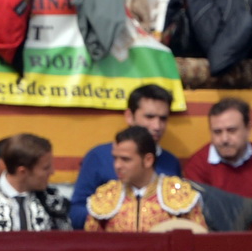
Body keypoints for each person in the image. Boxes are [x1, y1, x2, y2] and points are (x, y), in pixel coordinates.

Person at [70, 83, 183, 228]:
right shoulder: (98, 157)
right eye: (149, 117)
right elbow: (76, 212)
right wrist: (115, 214)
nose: (157, 126)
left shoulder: (171, 161)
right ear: (129, 116)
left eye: (163, 119)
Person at [84, 125, 207, 231]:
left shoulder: (180, 195)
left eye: (125, 159)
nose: (117, 165)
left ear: (148, 160)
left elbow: (198, 244)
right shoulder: (105, 196)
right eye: (115, 158)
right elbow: (93, 247)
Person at [184, 97, 252, 198]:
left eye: (231, 130)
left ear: (248, 129)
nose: (224, 139)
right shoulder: (197, 165)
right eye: (217, 132)